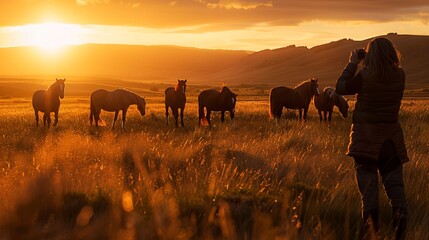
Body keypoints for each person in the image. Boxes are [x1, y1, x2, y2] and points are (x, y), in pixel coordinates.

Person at [335, 37, 408, 240]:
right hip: (391, 141)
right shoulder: (400, 75)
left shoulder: (364, 76)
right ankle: (400, 236)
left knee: (369, 195)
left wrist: (352, 63)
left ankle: (371, 237)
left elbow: (340, 88)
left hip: (365, 141)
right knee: (397, 192)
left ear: (371, 56)